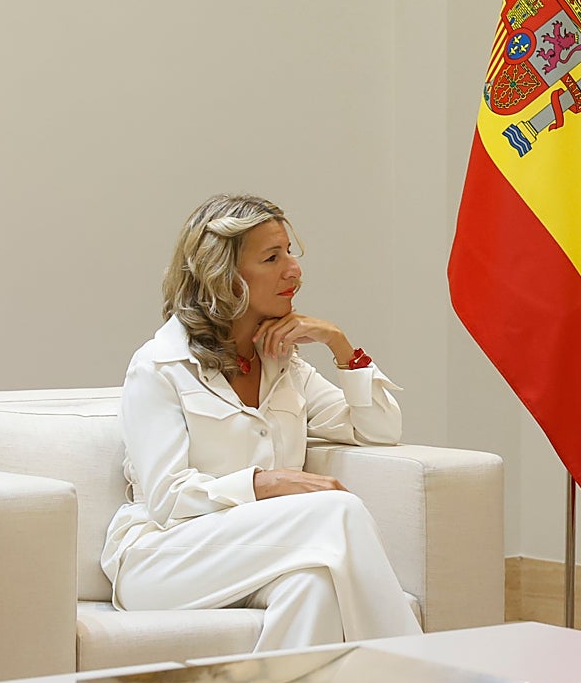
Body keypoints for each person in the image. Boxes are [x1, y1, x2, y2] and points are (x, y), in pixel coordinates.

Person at [101, 194, 422, 651]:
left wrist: (340, 345)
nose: (294, 269)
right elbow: (168, 501)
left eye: (290, 252)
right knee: (338, 511)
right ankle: (420, 679)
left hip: (256, 554)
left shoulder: (283, 364)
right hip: (164, 559)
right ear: (223, 277)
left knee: (314, 586)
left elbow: (380, 429)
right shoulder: (159, 367)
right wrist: (268, 483)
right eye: (273, 257)